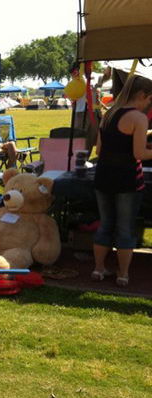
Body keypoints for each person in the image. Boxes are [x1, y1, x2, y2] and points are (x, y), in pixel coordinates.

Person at [92, 75, 152, 287]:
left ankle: (99, 269)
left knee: (105, 225)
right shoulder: (138, 118)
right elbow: (138, 153)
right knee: (125, 229)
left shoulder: (109, 113)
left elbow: (98, 150)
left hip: (103, 176)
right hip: (127, 179)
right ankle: (123, 274)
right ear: (143, 95)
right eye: (149, 100)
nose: (149, 105)